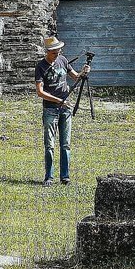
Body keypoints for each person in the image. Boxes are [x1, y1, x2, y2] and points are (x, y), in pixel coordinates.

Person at [34, 36, 90, 185]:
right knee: (50, 145)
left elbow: (76, 77)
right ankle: (49, 177)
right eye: (54, 52)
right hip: (51, 109)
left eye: (59, 51)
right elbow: (40, 92)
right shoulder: (40, 67)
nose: (57, 54)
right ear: (48, 52)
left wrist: (83, 72)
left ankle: (65, 177)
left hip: (65, 109)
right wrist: (59, 101)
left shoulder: (63, 60)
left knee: (65, 144)